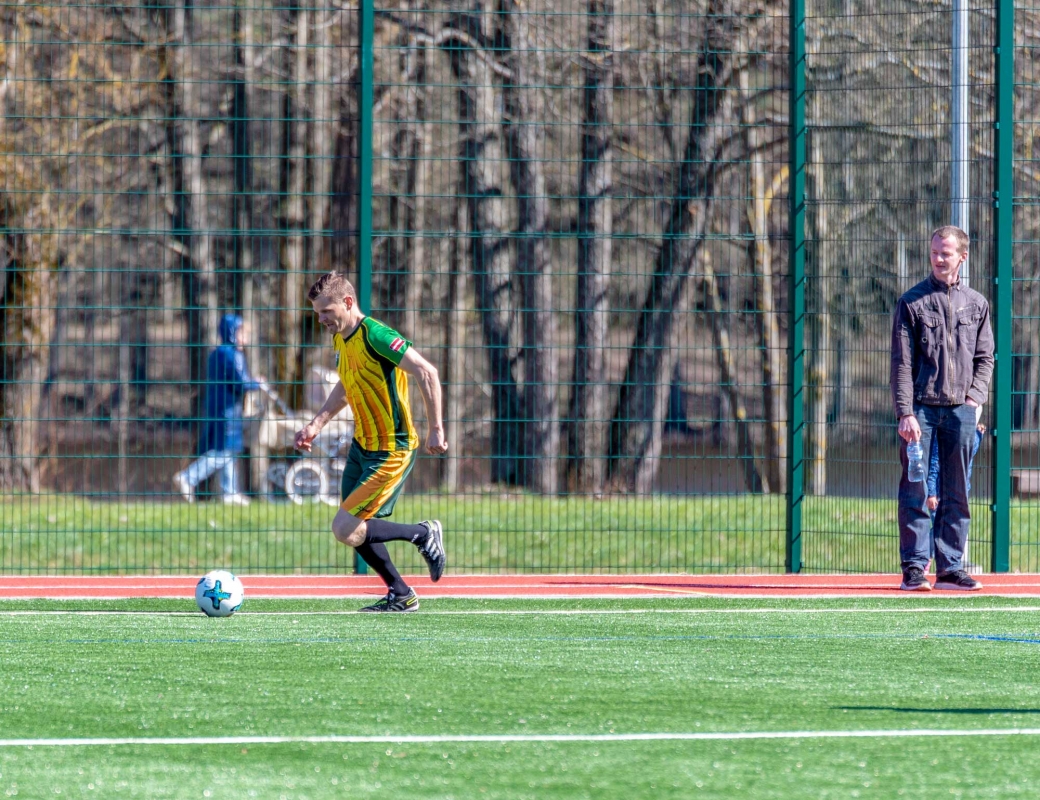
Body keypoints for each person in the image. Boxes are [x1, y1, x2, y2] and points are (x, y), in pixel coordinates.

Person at [294, 272, 447, 612]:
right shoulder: (340, 338)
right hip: (362, 446)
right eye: (317, 313)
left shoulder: (375, 335)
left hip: (393, 449)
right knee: (354, 527)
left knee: (344, 526)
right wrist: (316, 423)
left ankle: (422, 534)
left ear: (348, 303)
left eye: (325, 312)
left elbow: (427, 372)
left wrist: (436, 427)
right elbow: (347, 384)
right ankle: (401, 593)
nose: (320, 320)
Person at [891, 225, 994, 591]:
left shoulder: (977, 304)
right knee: (916, 489)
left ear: (962, 257)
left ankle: (951, 567)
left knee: (957, 491)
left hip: (960, 412)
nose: (938, 258)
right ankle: (915, 568)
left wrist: (972, 401)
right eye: (934, 251)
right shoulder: (912, 302)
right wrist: (905, 413)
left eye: (945, 253)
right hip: (921, 410)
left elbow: (985, 359)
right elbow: (901, 364)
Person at [173, 313, 261, 506]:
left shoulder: (217, 353)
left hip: (218, 408)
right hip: (227, 410)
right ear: (232, 333)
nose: (245, 339)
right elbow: (241, 382)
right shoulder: (232, 355)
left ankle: (229, 492)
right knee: (223, 451)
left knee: (228, 450)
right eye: (242, 333)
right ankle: (188, 477)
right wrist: (257, 383)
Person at [925, 410, 985, 573]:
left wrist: (978, 435)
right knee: (938, 527)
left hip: (960, 491)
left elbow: (970, 453)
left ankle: (952, 562)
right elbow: (934, 466)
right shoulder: (942, 437)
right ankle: (926, 558)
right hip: (939, 493)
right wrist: (931, 493)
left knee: (955, 526)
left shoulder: (968, 435)